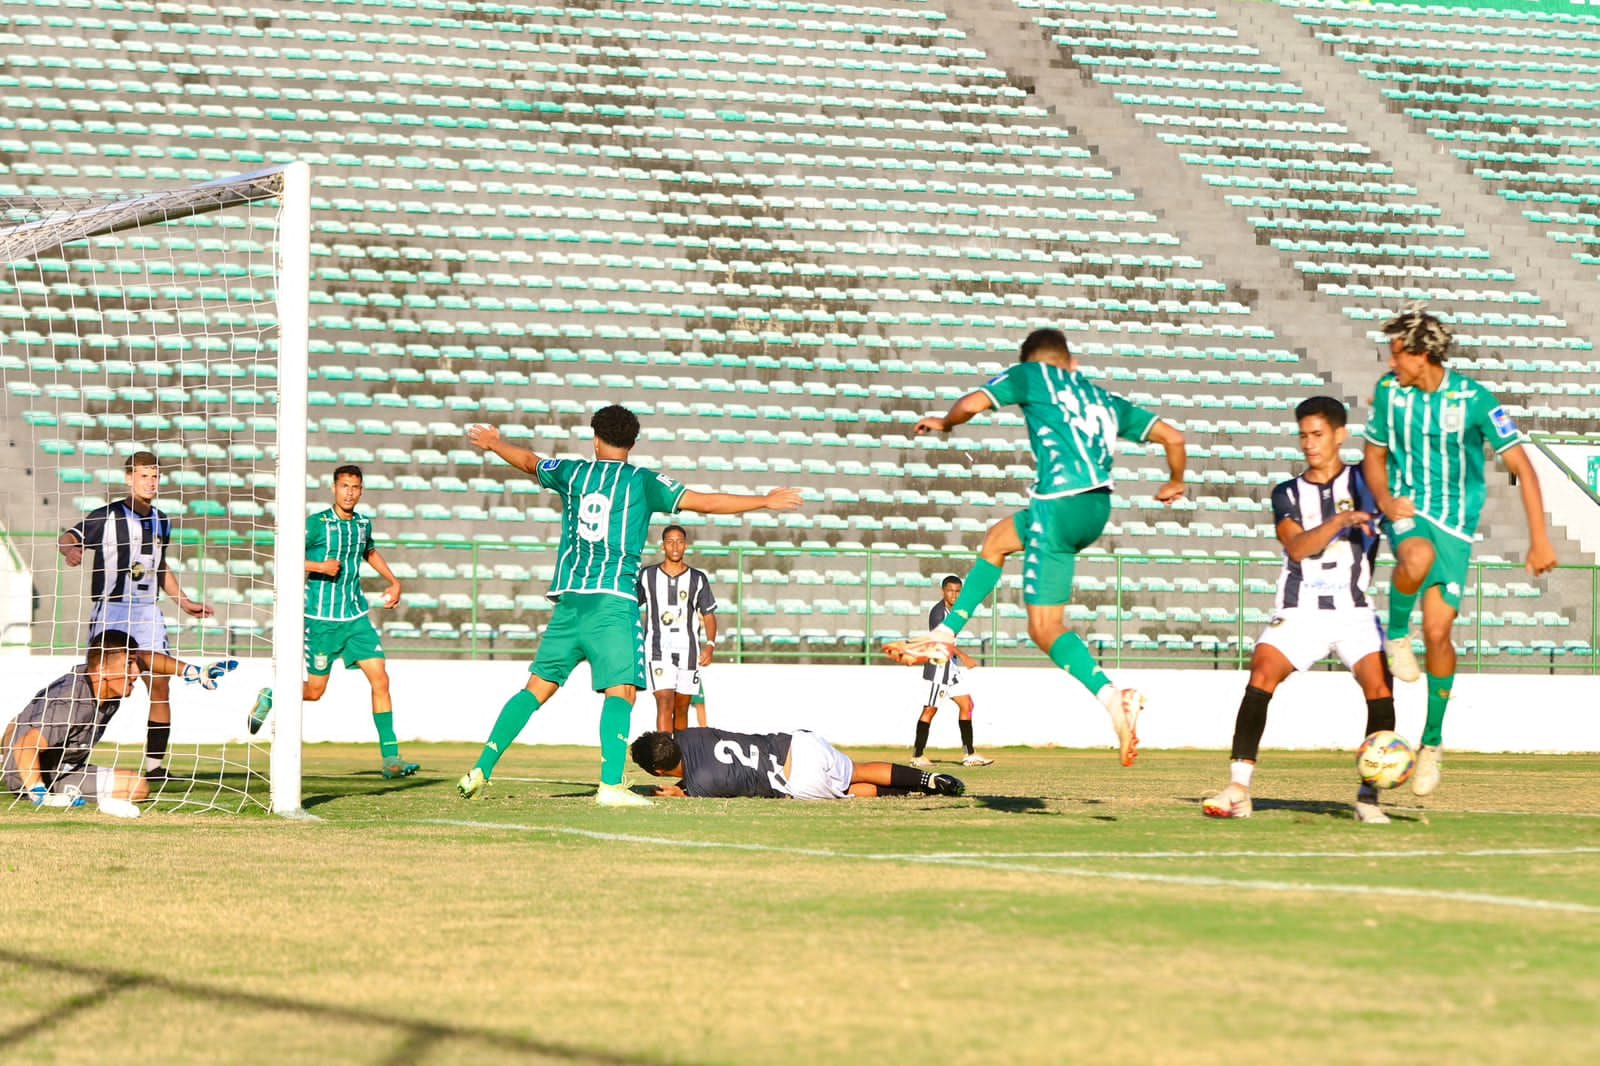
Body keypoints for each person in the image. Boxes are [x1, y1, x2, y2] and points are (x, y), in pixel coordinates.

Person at [457, 404, 802, 807]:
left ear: (595, 437)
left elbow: (530, 462)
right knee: (620, 692)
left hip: (570, 601)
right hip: (613, 602)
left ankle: (481, 768)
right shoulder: (643, 481)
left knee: (534, 689)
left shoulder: (573, 472)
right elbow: (703, 502)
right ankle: (609, 786)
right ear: (633, 442)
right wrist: (762, 501)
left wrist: (495, 443)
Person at [884, 328, 1187, 766]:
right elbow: (1174, 438)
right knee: (998, 540)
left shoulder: (1032, 375)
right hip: (1095, 509)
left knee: (1044, 628)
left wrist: (945, 422)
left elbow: (970, 404)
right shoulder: (1101, 397)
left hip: (1058, 504)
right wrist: (1175, 481)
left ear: (1033, 361)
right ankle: (943, 636)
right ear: (1073, 363)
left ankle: (1112, 698)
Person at [1362, 308, 1556, 796]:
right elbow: (1374, 455)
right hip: (1408, 508)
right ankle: (1397, 636)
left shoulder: (1474, 399)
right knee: (1416, 558)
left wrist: (1540, 537)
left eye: (1397, 352)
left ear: (1421, 354)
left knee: (1442, 634)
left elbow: (1522, 468)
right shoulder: (1389, 393)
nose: (1391, 361)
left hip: (1457, 527)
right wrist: (1386, 501)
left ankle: (1431, 742)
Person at [1202, 397, 1396, 824]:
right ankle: (1239, 789)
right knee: (1262, 673)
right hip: (1300, 606)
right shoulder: (1286, 492)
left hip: (1354, 611)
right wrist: (1341, 523)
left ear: (1340, 435)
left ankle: (1368, 797)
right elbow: (1297, 546)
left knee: (1380, 688)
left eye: (1318, 434)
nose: (1309, 444)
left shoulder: (1367, 482)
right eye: (1304, 435)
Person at [57, 449, 236, 779]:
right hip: (111, 610)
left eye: (155, 476)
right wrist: (72, 549)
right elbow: (68, 536)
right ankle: (67, 755)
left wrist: (183, 601)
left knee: (160, 686)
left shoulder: (162, 520)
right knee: (100, 686)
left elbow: (158, 565)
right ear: (129, 479)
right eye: (143, 475)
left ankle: (154, 768)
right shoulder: (106, 516)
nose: (151, 481)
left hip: (147, 611)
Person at [246, 465, 418, 778]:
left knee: (381, 679)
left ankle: (392, 760)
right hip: (321, 621)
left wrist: (393, 581)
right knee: (314, 692)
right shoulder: (316, 524)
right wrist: (318, 566)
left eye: (355, 487)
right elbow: (283, 557)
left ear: (362, 490)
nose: (350, 492)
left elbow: (370, 552)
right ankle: (272, 694)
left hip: (356, 618)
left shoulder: (363, 524)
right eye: (344, 486)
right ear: (334, 488)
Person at [2, 631, 150, 819]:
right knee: (135, 786)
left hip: (65, 768)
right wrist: (40, 795)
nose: (137, 672)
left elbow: (17, 722)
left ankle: (71, 795)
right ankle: (54, 795)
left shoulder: (104, 688)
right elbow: (25, 746)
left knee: (137, 786)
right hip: (32, 776)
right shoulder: (70, 700)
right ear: (102, 668)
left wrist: (187, 671)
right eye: (129, 664)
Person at [630, 727, 966, 800]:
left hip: (795, 781)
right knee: (856, 770)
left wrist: (678, 793)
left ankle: (903, 794)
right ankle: (927, 780)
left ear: (659, 772)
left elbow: (691, 787)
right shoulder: (690, 735)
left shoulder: (700, 785)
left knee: (849, 791)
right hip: (796, 744)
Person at [637, 524, 718, 732]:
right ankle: (664, 760)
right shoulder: (647, 576)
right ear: (663, 546)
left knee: (681, 708)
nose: (675, 546)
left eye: (680, 542)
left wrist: (710, 644)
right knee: (664, 701)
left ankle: (680, 757)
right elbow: (630, 606)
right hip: (658, 648)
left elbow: (708, 614)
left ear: (686, 546)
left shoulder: (698, 579)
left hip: (688, 650)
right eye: (670, 542)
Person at [911, 574, 990, 769]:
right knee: (930, 709)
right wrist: (964, 656)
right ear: (943, 591)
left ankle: (969, 754)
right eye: (950, 591)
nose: (954, 595)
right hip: (939, 667)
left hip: (950, 666)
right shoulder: (939, 613)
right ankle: (917, 755)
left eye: (957, 591)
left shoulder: (954, 611)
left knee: (967, 704)